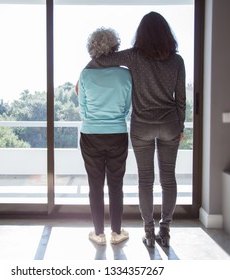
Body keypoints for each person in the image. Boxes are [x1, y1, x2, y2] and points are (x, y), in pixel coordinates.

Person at [86, 12, 186, 248]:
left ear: (141, 34)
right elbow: (181, 100)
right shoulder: (177, 60)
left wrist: (86, 69)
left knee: (146, 180)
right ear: (166, 34)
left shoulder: (134, 56)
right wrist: (180, 125)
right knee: (168, 179)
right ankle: (165, 231)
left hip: (142, 126)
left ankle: (149, 233)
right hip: (169, 124)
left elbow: (100, 61)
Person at [77, 27, 132, 246]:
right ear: (115, 48)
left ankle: (98, 234)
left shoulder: (85, 74)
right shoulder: (125, 73)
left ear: (92, 48)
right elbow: (128, 107)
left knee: (95, 185)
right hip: (118, 133)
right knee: (116, 185)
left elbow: (83, 110)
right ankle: (116, 233)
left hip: (91, 135)